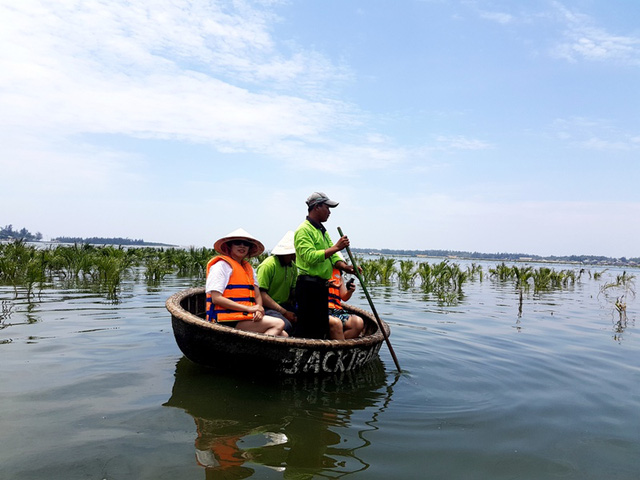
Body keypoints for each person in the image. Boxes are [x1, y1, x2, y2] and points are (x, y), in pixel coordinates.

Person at [293, 192, 355, 339]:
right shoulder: (304, 230)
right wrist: (336, 247)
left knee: (320, 327)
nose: (329, 212)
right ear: (316, 207)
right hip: (308, 286)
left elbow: (333, 256)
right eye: (327, 208)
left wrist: (345, 267)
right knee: (308, 328)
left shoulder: (321, 230)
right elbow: (309, 257)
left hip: (321, 286)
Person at [205, 228, 287, 337]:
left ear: (249, 248)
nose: (242, 246)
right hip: (225, 319)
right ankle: (257, 350)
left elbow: (257, 295)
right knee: (278, 323)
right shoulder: (221, 266)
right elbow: (216, 298)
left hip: (244, 316)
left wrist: (259, 309)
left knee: (284, 335)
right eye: (237, 243)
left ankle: (254, 350)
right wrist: (249, 308)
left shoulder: (249, 269)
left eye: (246, 244)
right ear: (230, 246)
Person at [256, 231, 298, 335]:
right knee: (287, 325)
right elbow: (262, 294)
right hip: (267, 307)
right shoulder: (268, 265)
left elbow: (293, 291)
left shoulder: (292, 267)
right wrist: (284, 312)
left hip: (284, 305)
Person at [327, 267, 365, 340]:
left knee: (358, 323)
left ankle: (337, 344)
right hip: (322, 310)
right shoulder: (318, 271)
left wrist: (350, 291)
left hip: (336, 310)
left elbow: (344, 297)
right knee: (336, 323)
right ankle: (339, 349)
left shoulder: (338, 273)